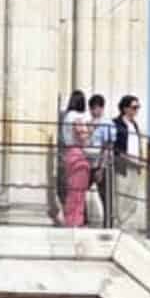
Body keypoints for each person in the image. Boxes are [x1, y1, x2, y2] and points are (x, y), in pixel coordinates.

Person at [110, 94, 145, 232]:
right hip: (123, 163)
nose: (136, 110)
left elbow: (138, 143)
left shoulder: (134, 124)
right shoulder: (116, 123)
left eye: (138, 107)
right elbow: (113, 142)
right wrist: (120, 154)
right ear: (125, 108)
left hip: (134, 164)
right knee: (122, 193)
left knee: (132, 196)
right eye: (134, 107)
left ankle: (128, 225)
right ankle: (119, 225)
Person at [58, 90, 91, 228]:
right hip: (78, 153)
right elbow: (82, 136)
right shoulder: (78, 117)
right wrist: (89, 133)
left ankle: (70, 219)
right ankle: (75, 220)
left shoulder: (66, 117)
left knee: (73, 189)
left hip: (68, 153)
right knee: (78, 192)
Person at [85, 93, 111, 227]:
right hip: (87, 162)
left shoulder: (107, 123)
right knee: (81, 190)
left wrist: (101, 166)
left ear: (101, 108)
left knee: (104, 195)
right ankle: (84, 220)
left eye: (96, 108)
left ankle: (107, 223)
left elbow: (107, 145)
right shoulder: (88, 123)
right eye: (92, 108)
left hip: (100, 163)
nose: (94, 111)